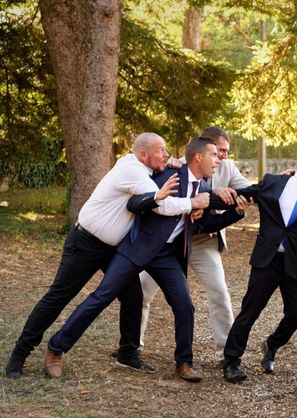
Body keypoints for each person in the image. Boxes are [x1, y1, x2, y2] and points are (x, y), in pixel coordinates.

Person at [44, 136, 250, 382]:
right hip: (137, 248)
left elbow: (205, 224)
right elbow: (134, 203)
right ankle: (57, 348)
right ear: (198, 157)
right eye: (214, 155)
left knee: (184, 305)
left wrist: (236, 213)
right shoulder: (166, 175)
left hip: (167, 256)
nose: (219, 161)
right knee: (102, 296)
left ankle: (184, 362)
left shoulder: (204, 189)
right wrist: (183, 203)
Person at [4, 132, 185, 379]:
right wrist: (194, 202)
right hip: (85, 244)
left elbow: (158, 173)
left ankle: (128, 353)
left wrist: (171, 162)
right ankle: (20, 354)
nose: (166, 154)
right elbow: (162, 205)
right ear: (143, 155)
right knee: (58, 297)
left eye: (166, 150)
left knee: (133, 296)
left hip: (114, 249)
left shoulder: (140, 165)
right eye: (161, 150)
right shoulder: (133, 171)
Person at [222, 146, 297, 383]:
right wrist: (205, 199)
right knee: (250, 311)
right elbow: (243, 194)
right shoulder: (274, 182)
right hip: (267, 259)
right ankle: (231, 361)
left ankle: (271, 345)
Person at [138, 126, 251, 356]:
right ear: (203, 148)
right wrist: (209, 192)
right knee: (142, 290)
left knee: (219, 291)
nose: (224, 157)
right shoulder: (177, 164)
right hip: (171, 241)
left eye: (226, 152)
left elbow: (249, 189)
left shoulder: (227, 166)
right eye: (220, 151)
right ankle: (132, 344)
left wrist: (282, 182)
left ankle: (227, 352)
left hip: (204, 240)